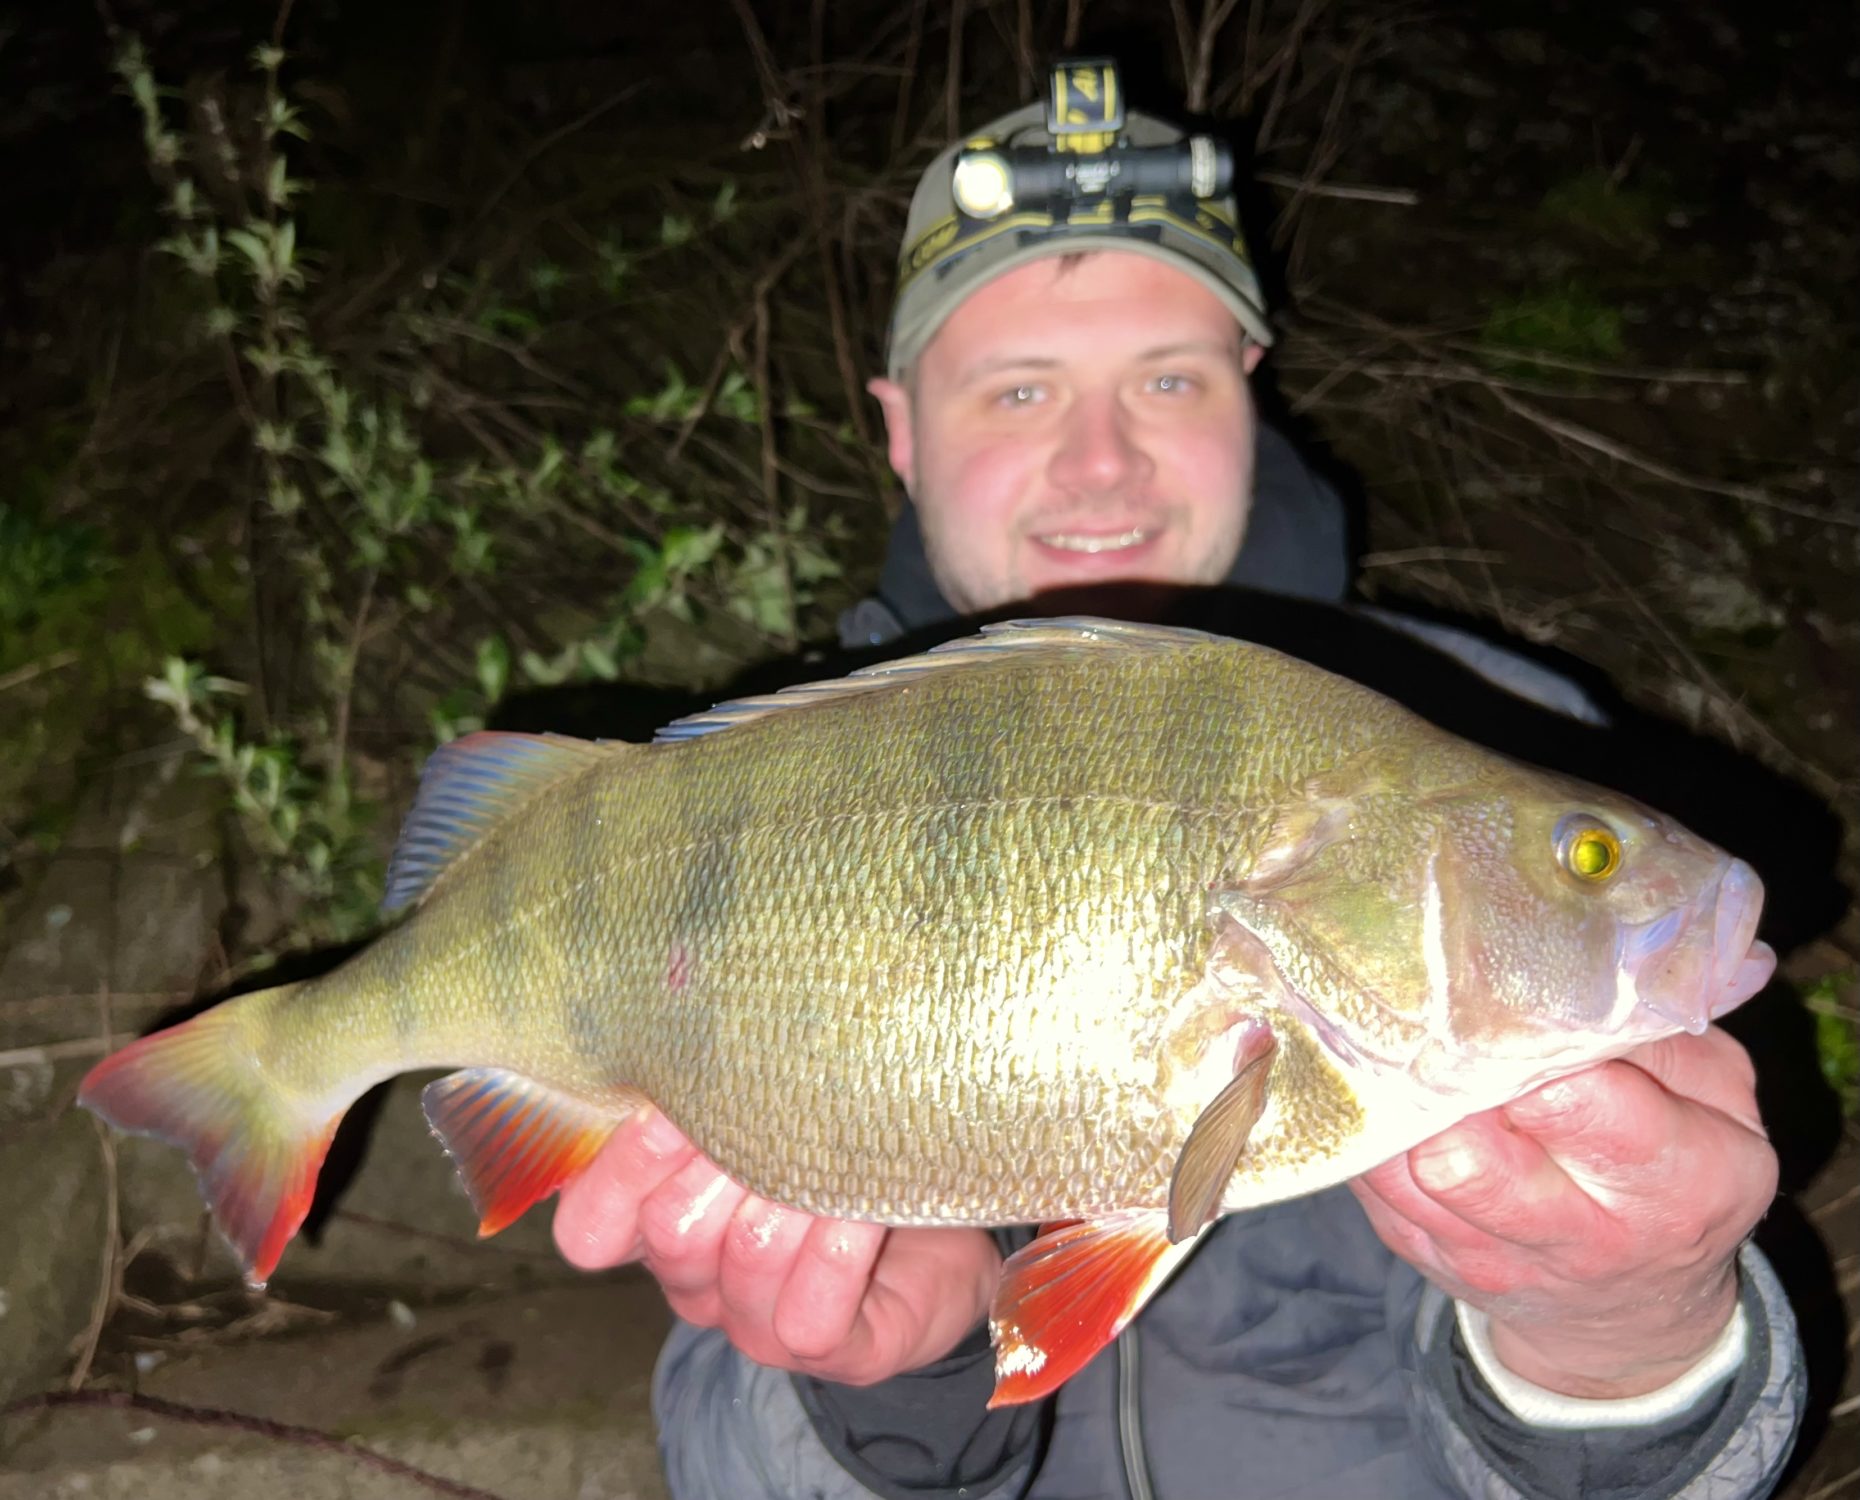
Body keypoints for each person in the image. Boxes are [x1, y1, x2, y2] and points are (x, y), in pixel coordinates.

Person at [553, 70, 1806, 1500]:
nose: (1103, 462)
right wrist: (899, 1381)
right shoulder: (726, 799)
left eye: (1167, 378)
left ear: (1250, 390)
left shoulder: (1511, 730)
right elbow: (717, 1456)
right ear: (899, 428)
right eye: (1021, 389)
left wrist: (1621, 1337)